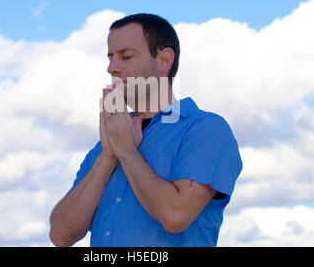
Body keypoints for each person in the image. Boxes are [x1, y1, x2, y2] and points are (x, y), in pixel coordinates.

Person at [49, 13, 242, 247]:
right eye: (110, 57)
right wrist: (108, 158)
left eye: (125, 56)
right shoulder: (106, 145)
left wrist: (127, 152)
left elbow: (175, 216)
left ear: (164, 60)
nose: (112, 68)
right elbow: (60, 236)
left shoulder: (205, 129)